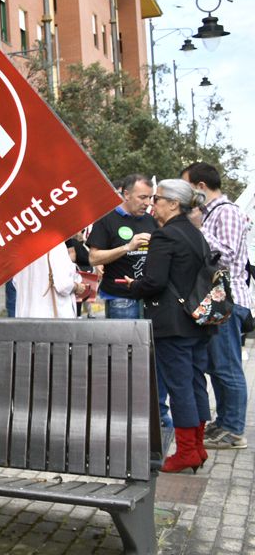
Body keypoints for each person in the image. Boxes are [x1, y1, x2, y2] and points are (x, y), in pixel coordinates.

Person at [111, 179, 212, 474]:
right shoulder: (195, 234)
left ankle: (186, 452)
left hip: (172, 324)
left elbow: (154, 282)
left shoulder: (165, 236)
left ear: (174, 204)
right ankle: (197, 446)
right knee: (195, 384)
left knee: (179, 387)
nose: (153, 203)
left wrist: (134, 285)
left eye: (158, 198)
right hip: (196, 321)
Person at [183, 162, 250, 449]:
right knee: (216, 366)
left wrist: (199, 230)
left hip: (228, 302)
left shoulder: (228, 213)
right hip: (215, 302)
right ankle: (223, 422)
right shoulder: (211, 215)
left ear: (200, 187)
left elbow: (227, 255)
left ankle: (234, 430)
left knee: (227, 367)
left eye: (187, 187)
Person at [88, 174, 156, 319]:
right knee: (126, 342)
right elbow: (93, 258)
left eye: (150, 197)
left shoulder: (151, 220)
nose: (148, 203)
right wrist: (127, 247)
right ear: (126, 194)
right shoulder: (107, 219)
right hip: (121, 298)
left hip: (148, 297)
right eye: (142, 197)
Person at [12, 243, 83, 318]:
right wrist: (77, 286)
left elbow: (16, 282)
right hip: (50, 317)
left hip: (24, 317)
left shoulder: (19, 250)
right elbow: (63, 285)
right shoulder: (55, 245)